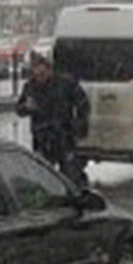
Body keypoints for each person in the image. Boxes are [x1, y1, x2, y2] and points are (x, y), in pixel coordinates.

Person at [16, 55, 91, 186]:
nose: (40, 78)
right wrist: (26, 107)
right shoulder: (30, 87)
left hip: (64, 134)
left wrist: (79, 123)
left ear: (50, 71)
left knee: (71, 173)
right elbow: (19, 109)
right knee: (42, 174)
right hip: (42, 137)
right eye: (36, 75)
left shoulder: (65, 84)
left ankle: (76, 193)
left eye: (43, 74)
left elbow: (83, 103)